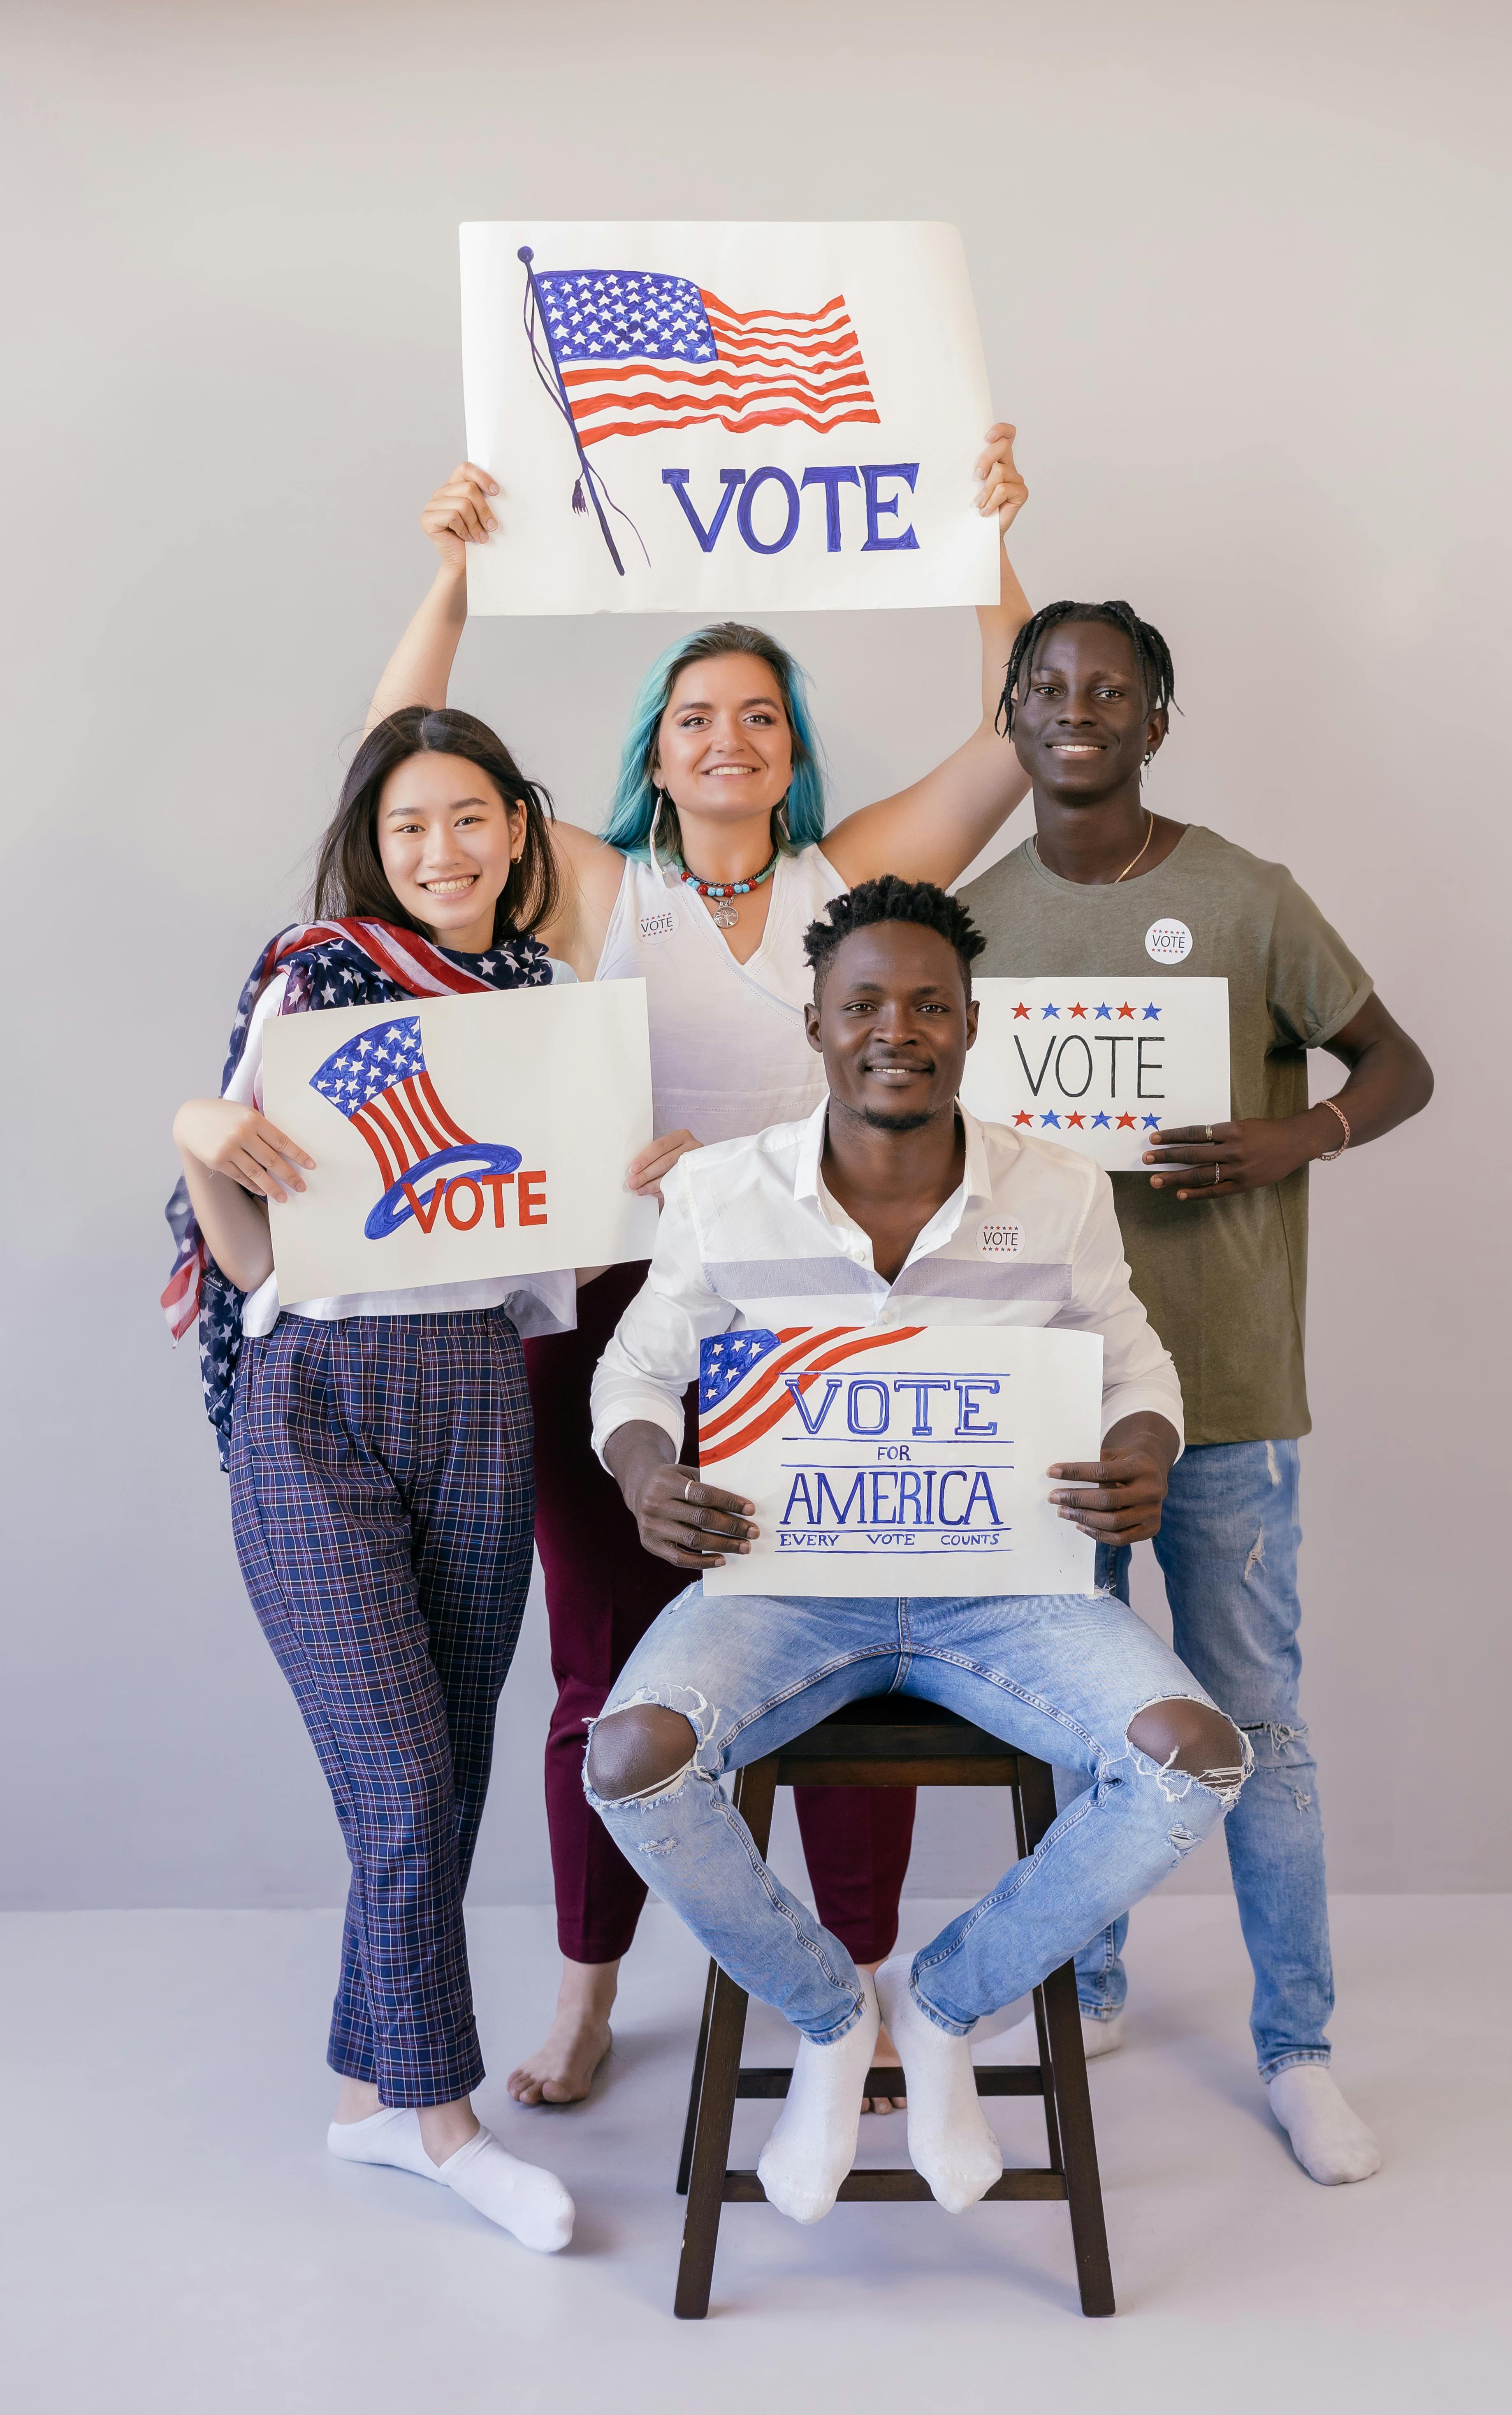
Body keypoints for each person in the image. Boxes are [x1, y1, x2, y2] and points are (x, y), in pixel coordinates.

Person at [364, 434, 1036, 2113]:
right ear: (651, 759)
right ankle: (591, 1993)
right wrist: (450, 578)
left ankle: (859, 1984)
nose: (727, 736)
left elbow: (1016, 741)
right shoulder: (600, 881)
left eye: (757, 711)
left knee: (845, 1656)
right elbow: (400, 763)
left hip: (820, 1325)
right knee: (602, 1670)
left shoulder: (855, 874)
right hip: (609, 1335)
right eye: (693, 715)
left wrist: (989, 544)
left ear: (790, 746)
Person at [582, 877, 1249, 2223]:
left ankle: (943, 2005)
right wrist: (649, 1473)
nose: (900, 1028)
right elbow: (634, 1380)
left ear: (972, 1024)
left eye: (930, 1005)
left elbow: (1136, 1364)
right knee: (630, 1760)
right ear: (819, 1028)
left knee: (1195, 1758)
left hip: (999, 1591)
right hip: (787, 1584)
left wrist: (1143, 1454)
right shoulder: (721, 1194)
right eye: (865, 1005)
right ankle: (834, 2020)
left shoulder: (1055, 1190)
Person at [957, 600, 1435, 2185]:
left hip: (1224, 1387)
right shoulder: (967, 918)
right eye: (1046, 687)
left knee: (1254, 1724)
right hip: (1047, 1397)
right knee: (1079, 1723)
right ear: (1012, 719)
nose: (1075, 708)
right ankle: (1083, 1986)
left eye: (1109, 690)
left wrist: (1301, 1136)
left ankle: (1297, 2051)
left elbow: (1396, 1064)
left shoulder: (1243, 897)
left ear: (1154, 722)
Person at [164, 708, 588, 2253]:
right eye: (410, 826)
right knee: (400, 1782)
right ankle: (441, 2120)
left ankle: (364, 2103)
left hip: (479, 1383)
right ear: (375, 840)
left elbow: (553, 1245)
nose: (441, 853)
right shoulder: (320, 974)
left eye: (469, 819)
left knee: (449, 1768)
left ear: (519, 830)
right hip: (317, 1401)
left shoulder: (548, 1000)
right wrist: (200, 1131)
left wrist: (638, 1171)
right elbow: (248, 1249)